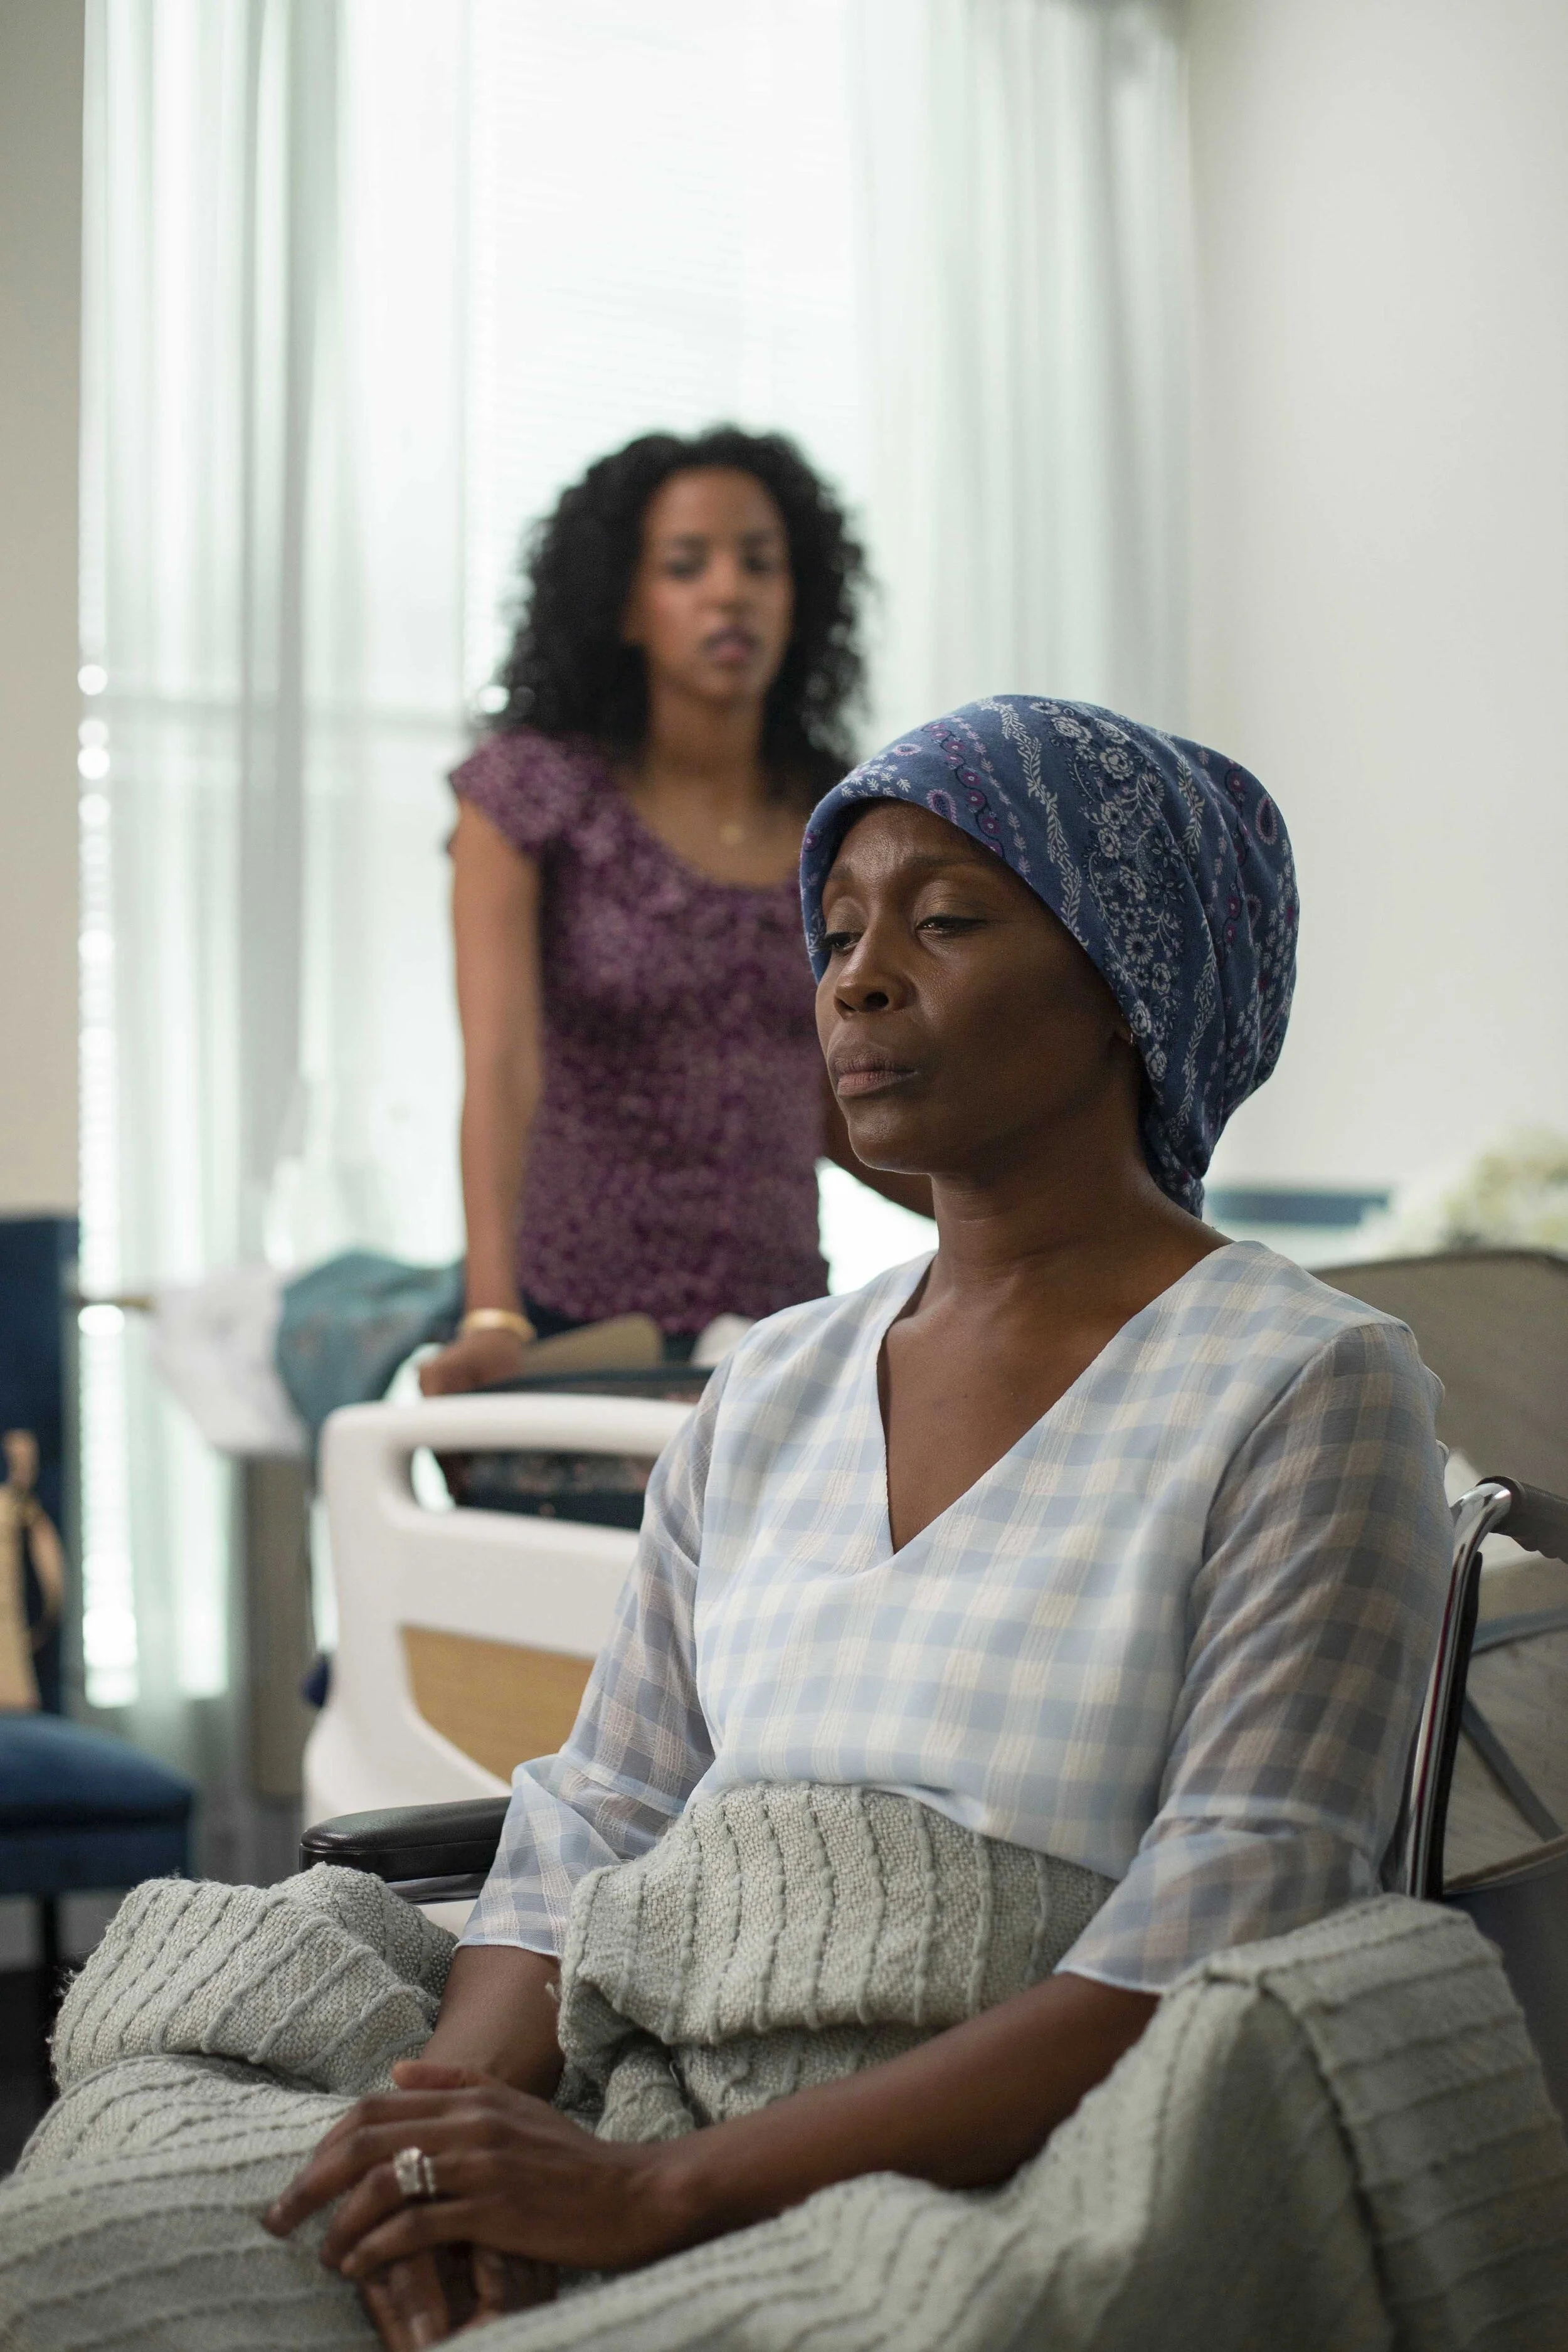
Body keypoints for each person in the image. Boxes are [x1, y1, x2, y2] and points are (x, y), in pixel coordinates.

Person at [253, 697, 1453, 2330]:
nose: (854, 978)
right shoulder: (768, 1388)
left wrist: (648, 2193)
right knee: (128, 2213)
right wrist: (443, 2145)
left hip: (997, 2160)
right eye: (834, 933)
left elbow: (1235, 1908)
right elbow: (602, 1803)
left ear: (1129, 981)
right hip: (650, 2053)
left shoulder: (1303, 1380)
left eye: (944, 919)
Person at [420, 425, 927, 1398]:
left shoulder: (846, 815)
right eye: (686, 566)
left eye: (760, 563)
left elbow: (838, 1102)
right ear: (625, 604)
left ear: (801, 597)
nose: (729, 591)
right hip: (568, 1330)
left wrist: (1046, 1219)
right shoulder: (531, 795)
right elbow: (501, 1065)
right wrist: (494, 1315)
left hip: (777, 1334)